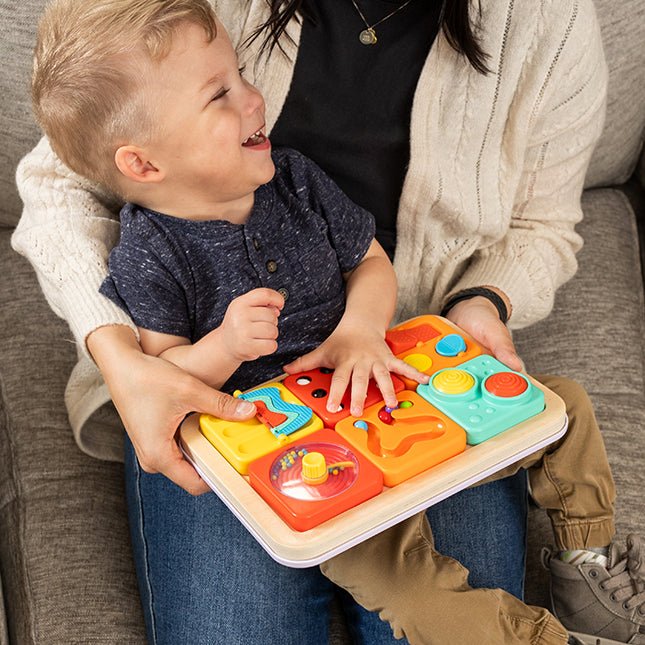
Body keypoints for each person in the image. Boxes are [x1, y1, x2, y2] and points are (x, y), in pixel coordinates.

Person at [14, 0, 629, 643]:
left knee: (563, 409)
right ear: (142, 164)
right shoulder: (149, 252)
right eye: (223, 92)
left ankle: (584, 560)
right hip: (258, 428)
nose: (255, 101)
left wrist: (444, 311)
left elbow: (384, 257)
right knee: (405, 589)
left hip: (385, 364)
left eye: (244, 75)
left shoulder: (295, 178)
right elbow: (168, 365)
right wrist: (193, 352)